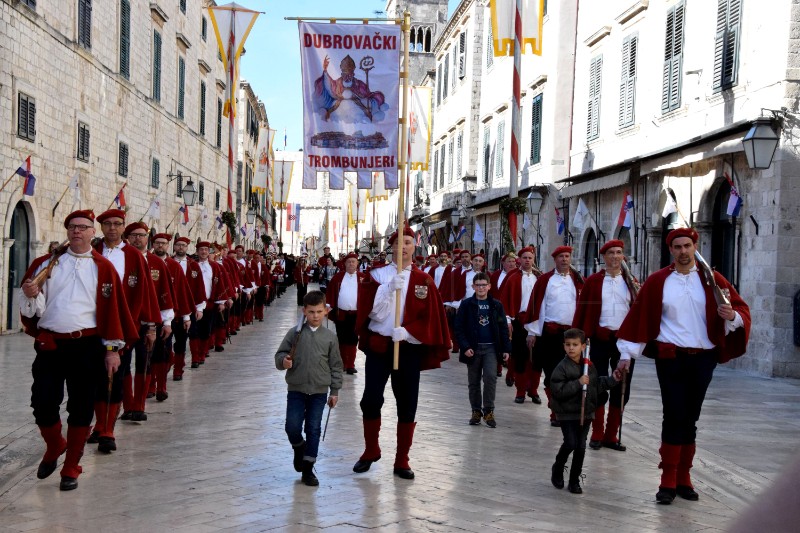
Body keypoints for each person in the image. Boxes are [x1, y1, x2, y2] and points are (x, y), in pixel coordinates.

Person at [616, 227, 751, 504]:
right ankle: (667, 480)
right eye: (677, 247)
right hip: (671, 356)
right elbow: (639, 317)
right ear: (671, 250)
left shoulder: (712, 279)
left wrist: (732, 314)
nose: (683, 251)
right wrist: (626, 355)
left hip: (704, 358)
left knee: (691, 416)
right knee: (674, 413)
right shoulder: (658, 281)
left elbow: (740, 310)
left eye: (687, 246)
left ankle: (684, 478)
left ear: (695, 247)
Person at [19, 210, 138, 490]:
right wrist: (29, 295)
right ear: (67, 230)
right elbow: (31, 308)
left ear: (91, 233)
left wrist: (112, 350)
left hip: (87, 346)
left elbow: (112, 312)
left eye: (83, 228)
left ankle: (72, 465)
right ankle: (55, 445)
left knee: (81, 406)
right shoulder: (45, 264)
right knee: (43, 403)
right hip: (51, 344)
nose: (77, 232)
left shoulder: (103, 268)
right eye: (72, 227)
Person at [353, 224, 450, 479]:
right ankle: (371, 449)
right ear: (392, 247)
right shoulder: (376, 276)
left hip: (407, 349)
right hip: (379, 346)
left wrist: (408, 332)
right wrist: (386, 289)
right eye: (398, 243)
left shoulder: (423, 280)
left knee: (407, 403)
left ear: (414, 246)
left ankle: (402, 459)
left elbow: (430, 317)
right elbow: (368, 312)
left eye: (408, 242)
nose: (403, 247)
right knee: (370, 399)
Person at [91, 209, 159, 448]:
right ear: (100, 228)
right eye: (107, 224)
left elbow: (147, 292)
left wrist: (150, 325)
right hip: (91, 325)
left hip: (124, 325)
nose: (112, 228)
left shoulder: (134, 256)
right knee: (94, 379)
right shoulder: (91, 252)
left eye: (117, 224)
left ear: (123, 228)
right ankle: (98, 424)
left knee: (115, 375)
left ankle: (108, 430)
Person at [275, 290, 342, 487]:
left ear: (326, 311)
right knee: (292, 427)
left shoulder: (330, 337)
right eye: (311, 312)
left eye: (319, 311)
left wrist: (335, 391)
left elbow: (336, 365)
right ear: (304, 311)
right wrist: (283, 362)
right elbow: (280, 355)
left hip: (319, 391)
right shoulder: (295, 334)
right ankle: (299, 447)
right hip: (296, 389)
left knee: (313, 428)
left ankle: (308, 468)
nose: (315, 316)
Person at [572, 240, 635, 451]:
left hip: (624, 342)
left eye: (619, 252)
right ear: (604, 257)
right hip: (598, 339)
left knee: (622, 387)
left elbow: (637, 310)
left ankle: (611, 435)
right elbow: (582, 311)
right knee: (596, 384)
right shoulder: (593, 282)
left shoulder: (631, 282)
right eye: (611, 253)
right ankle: (597, 432)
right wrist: (580, 338)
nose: (616, 256)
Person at [550, 328, 621, 494]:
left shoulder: (588, 365)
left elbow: (595, 384)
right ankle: (558, 466)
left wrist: (613, 380)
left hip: (585, 412)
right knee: (570, 443)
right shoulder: (562, 368)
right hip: (567, 413)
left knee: (581, 447)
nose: (571, 348)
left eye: (575, 345)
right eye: (568, 345)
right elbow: (558, 390)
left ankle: (574, 480)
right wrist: (578, 382)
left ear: (583, 346)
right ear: (564, 346)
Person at [524, 246, 583, 426]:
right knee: (552, 375)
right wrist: (533, 332)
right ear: (555, 259)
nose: (565, 259)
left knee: (571, 376)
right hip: (550, 334)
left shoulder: (578, 280)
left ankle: (566, 410)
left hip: (571, 337)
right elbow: (536, 305)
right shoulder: (545, 280)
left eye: (567, 256)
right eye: (561, 257)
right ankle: (555, 411)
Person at [124, 222, 175, 421]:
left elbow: (164, 292)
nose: (138, 239)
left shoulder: (156, 263)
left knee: (144, 363)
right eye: (133, 235)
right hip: (125, 322)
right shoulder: (122, 259)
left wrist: (167, 320)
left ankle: (139, 405)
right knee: (123, 365)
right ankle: (127, 405)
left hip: (148, 323)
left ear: (147, 238)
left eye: (141, 235)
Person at [454, 272, 511, 427]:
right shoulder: (466, 305)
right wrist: (465, 347)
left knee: (490, 378)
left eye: (483, 285)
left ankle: (489, 411)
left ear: (489, 286)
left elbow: (502, 327)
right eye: (478, 285)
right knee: (473, 381)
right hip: (473, 348)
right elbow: (458, 328)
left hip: (491, 348)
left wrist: (506, 348)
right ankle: (476, 411)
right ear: (473, 286)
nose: (481, 288)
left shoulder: (496, 305)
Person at [151, 233, 195, 398]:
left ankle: (161, 385)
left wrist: (186, 316)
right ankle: (150, 384)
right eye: (157, 243)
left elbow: (182, 292)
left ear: (167, 246)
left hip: (171, 316)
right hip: (149, 316)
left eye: (163, 243)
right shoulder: (145, 261)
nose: (160, 246)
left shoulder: (174, 266)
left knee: (164, 350)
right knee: (149, 353)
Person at [170, 236, 207, 380]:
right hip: (169, 309)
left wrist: (199, 308)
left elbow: (199, 288)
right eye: (178, 245)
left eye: (183, 245)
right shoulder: (168, 263)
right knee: (165, 342)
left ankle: (178, 370)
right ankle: (169, 361)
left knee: (181, 340)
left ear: (187, 248)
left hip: (187, 308)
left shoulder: (193, 265)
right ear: (174, 247)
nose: (180, 248)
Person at [326, 252, 366, 374]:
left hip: (356, 314)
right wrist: (328, 306)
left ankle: (350, 364)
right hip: (341, 314)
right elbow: (331, 292)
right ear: (345, 264)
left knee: (353, 339)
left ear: (357, 263)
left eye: (353, 262)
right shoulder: (338, 277)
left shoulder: (362, 277)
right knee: (342, 338)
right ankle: (342, 363)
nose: (351, 264)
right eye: (349, 262)